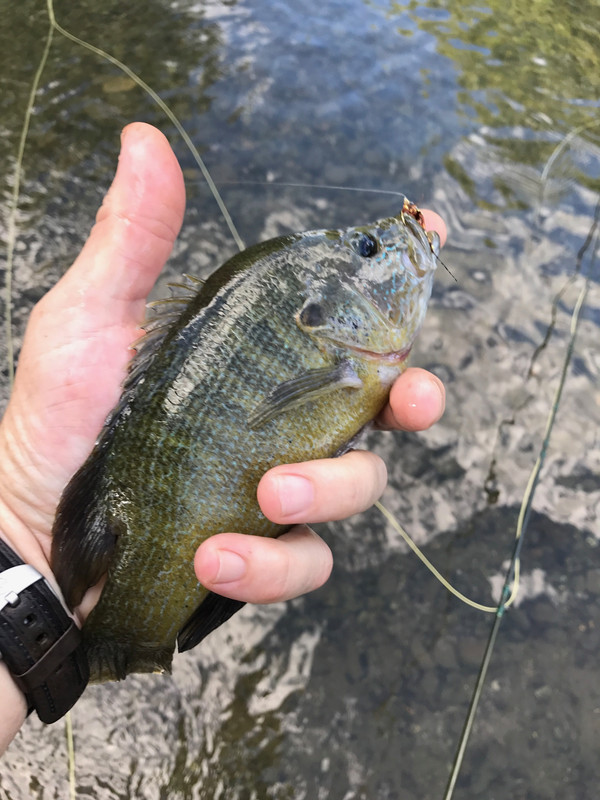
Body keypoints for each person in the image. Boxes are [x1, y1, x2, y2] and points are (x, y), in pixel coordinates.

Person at [0, 123, 446, 752]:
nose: (390, 250)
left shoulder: (353, 357)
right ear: (318, 315)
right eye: (371, 250)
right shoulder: (352, 358)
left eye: (366, 247)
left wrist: (24, 583)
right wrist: (20, 545)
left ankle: (114, 638)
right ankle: (117, 639)